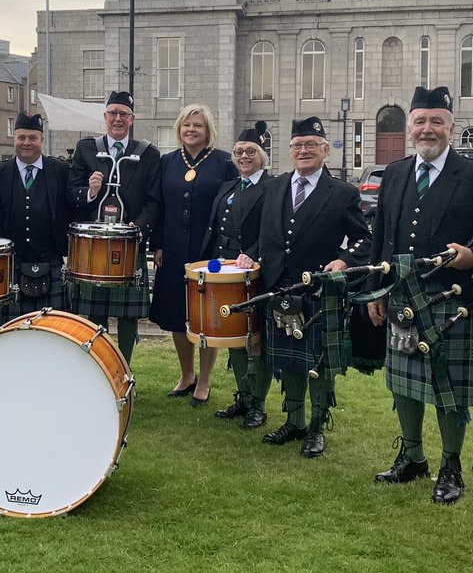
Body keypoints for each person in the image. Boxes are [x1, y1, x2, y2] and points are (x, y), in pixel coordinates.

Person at [366, 86, 473, 504]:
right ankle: (413, 456)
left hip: (451, 301)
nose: (427, 129)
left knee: (449, 387)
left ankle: (451, 465)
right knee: (403, 384)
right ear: (410, 127)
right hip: (402, 295)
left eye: (436, 121)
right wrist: (376, 290)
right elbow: (381, 237)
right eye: (420, 121)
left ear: (451, 128)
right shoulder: (396, 172)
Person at [236, 117, 370, 458]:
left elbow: (362, 240)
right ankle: (294, 420)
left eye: (311, 145)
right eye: (298, 145)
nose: (304, 151)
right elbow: (266, 236)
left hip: (317, 292)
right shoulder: (275, 186)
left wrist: (343, 260)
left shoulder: (342, 193)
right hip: (278, 287)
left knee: (318, 364)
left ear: (324, 150)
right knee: (288, 361)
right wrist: (249, 256)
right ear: (290, 150)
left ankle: (317, 426)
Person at [150, 105, 238, 404]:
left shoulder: (225, 162)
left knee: (206, 317)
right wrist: (158, 245)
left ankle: (205, 380)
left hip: (209, 251)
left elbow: (234, 206)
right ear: (179, 128)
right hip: (173, 249)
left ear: (208, 130)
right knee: (177, 315)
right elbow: (159, 206)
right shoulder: (167, 162)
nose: (191, 130)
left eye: (198, 125)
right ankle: (186, 375)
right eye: (187, 125)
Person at [68, 91, 162, 364]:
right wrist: (90, 190)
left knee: (128, 315)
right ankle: (100, 368)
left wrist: (139, 227)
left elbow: (153, 200)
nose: (118, 119)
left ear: (132, 119)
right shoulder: (86, 148)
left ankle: (124, 369)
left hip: (129, 243)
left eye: (124, 114)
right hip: (94, 245)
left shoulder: (147, 154)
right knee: (95, 314)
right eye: (113, 113)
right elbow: (71, 193)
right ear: (105, 117)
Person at [200, 122, 273, 427]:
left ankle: (257, 403)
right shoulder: (228, 186)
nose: (244, 156)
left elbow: (273, 229)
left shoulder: (271, 187)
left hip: (252, 270)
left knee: (254, 339)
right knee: (233, 334)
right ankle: (242, 397)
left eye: (251, 151)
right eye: (239, 151)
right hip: (224, 266)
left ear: (262, 156)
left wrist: (253, 253)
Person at [0, 112, 73, 319]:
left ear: (42, 139)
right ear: (14, 139)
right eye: (21, 137)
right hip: (11, 262)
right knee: (10, 331)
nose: (27, 143)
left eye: (33, 138)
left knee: (54, 330)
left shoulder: (60, 170)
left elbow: (74, 206)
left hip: (51, 258)